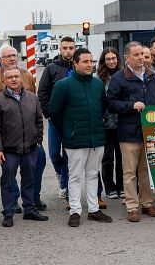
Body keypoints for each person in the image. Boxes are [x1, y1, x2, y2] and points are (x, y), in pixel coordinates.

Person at [49, 48, 112, 227]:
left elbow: (104, 106)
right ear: (75, 64)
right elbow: (54, 111)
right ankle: (75, 210)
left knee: (93, 174)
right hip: (75, 139)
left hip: (96, 138)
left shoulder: (98, 84)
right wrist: (69, 130)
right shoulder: (63, 85)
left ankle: (93, 210)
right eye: (84, 62)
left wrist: (103, 119)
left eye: (91, 61)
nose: (89, 65)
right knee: (74, 176)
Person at [107, 41, 155, 222]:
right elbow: (111, 103)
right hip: (129, 132)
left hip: (149, 130)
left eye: (142, 54)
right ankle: (132, 206)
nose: (141, 58)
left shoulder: (151, 75)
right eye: (136, 55)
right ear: (127, 57)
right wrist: (131, 105)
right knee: (129, 172)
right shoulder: (118, 78)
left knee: (146, 170)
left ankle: (147, 203)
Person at [0, 67, 49, 227]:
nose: (14, 80)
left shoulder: (32, 98)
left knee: (29, 179)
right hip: (9, 150)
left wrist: (38, 140)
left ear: (21, 79)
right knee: (8, 181)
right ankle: (8, 213)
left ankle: (29, 209)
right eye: (10, 78)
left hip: (30, 148)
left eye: (16, 76)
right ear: (4, 81)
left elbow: (39, 121)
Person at [38, 36, 75, 200]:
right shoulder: (51, 68)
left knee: (68, 154)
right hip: (55, 120)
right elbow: (42, 93)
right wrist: (48, 114)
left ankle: (65, 185)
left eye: (71, 48)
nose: (68, 51)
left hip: (73, 120)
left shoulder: (78, 66)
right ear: (60, 49)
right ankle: (60, 174)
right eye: (65, 48)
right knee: (53, 153)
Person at [97, 48, 124, 199]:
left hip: (121, 121)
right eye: (108, 59)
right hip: (106, 123)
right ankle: (109, 187)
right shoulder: (99, 79)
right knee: (107, 157)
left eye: (114, 58)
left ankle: (121, 186)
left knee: (121, 156)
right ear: (103, 61)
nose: (111, 61)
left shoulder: (124, 75)